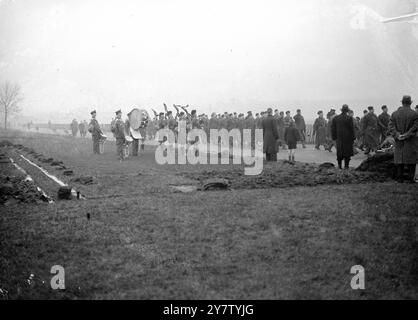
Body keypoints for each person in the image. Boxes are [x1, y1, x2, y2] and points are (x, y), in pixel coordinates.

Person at [388, 95, 418, 183]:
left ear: (402, 102)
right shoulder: (414, 114)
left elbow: (390, 126)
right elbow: (416, 127)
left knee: (399, 158)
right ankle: (410, 179)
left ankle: (399, 178)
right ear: (410, 102)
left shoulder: (394, 114)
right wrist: (407, 135)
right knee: (411, 159)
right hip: (410, 140)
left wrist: (397, 135)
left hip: (399, 140)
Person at [331, 105, 355, 169]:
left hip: (339, 138)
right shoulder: (349, 118)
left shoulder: (336, 118)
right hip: (347, 139)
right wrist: (353, 138)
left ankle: (339, 166)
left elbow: (333, 129)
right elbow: (352, 129)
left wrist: (334, 137)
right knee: (347, 153)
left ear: (341, 110)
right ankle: (346, 166)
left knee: (339, 152)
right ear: (347, 111)